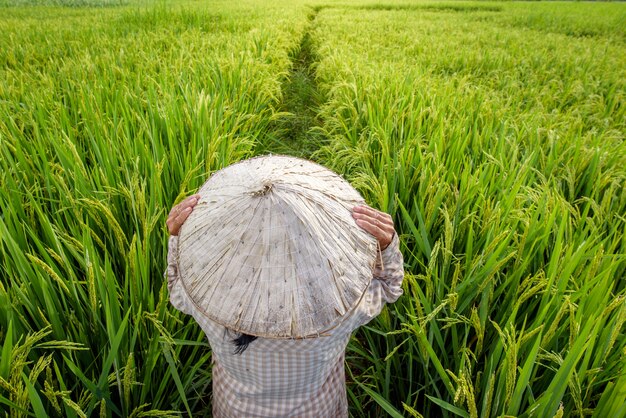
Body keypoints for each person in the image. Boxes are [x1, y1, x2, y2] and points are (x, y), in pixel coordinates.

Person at [165, 194, 404, 417]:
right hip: (317, 411)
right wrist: (387, 245)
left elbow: (176, 282)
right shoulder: (341, 311)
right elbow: (389, 286)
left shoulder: (205, 303)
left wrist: (176, 237)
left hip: (235, 409)